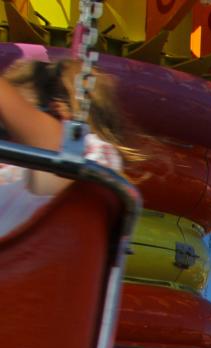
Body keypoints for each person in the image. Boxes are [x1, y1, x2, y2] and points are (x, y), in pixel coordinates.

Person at [0, 58, 132, 236]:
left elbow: (51, 143)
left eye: (7, 128)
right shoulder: (15, 174)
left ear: (58, 111)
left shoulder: (84, 154)